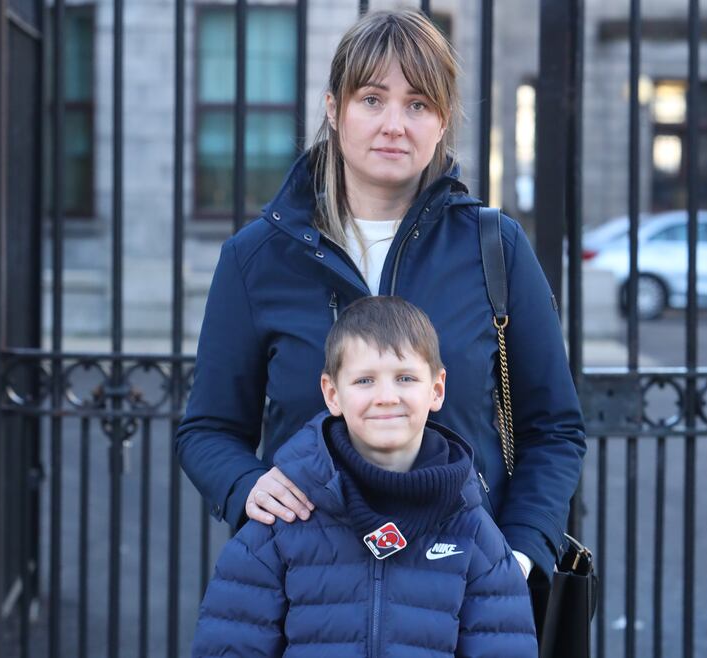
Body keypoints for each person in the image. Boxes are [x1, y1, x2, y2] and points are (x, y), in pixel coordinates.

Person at [176, 7, 585, 605]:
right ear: (334, 109)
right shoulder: (256, 258)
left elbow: (554, 427)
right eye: (372, 99)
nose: (395, 123)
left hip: (463, 595)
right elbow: (207, 429)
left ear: (442, 122)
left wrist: (518, 553)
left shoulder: (494, 247)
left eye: (418, 104)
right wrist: (244, 486)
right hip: (310, 594)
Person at [191, 296, 538, 657]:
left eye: (405, 378)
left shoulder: (473, 532)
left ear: (436, 389)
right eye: (365, 380)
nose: (386, 397)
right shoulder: (283, 523)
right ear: (332, 393)